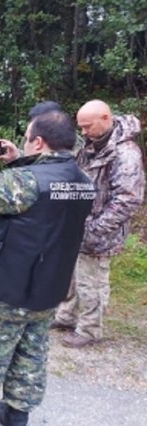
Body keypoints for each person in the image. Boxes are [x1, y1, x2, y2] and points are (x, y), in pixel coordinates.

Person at [0, 111, 95, 426]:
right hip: (49, 286)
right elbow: (38, 206)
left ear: (39, 141)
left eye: (27, 138)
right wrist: (19, 160)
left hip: (7, 287)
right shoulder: (83, 180)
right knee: (31, 352)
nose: (24, 142)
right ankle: (16, 413)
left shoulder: (25, 182)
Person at [53, 100, 145, 348]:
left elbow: (129, 199)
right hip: (78, 225)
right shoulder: (91, 146)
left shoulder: (125, 153)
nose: (83, 132)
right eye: (80, 127)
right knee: (71, 274)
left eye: (87, 126)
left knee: (90, 280)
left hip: (99, 232)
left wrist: (95, 230)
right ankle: (66, 316)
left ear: (106, 118)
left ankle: (90, 329)